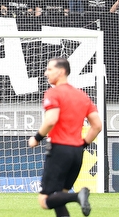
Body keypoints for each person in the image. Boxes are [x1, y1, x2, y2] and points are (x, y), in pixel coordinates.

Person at [28, 57, 102, 217]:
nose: (46, 73)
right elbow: (97, 126)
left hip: (59, 150)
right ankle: (77, 196)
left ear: (61, 72)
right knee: (59, 197)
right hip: (77, 153)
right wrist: (82, 145)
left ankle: (78, 196)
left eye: (49, 69)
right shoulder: (82, 95)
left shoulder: (53, 93)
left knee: (45, 200)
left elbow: (51, 119)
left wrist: (37, 138)